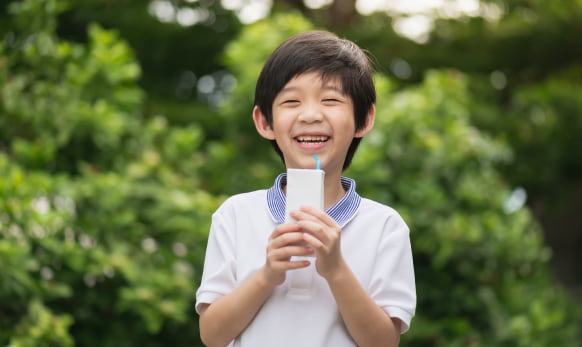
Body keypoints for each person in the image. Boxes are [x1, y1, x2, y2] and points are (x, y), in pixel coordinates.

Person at [195, 30, 416, 347]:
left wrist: (336, 269)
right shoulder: (236, 215)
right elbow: (212, 335)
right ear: (264, 122)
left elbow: (384, 343)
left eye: (330, 100)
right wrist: (267, 274)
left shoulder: (384, 226)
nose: (311, 114)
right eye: (291, 101)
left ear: (364, 119)